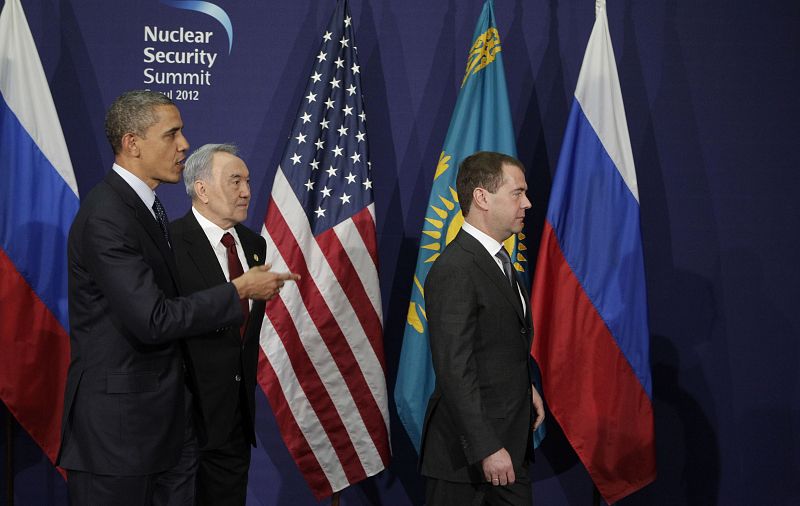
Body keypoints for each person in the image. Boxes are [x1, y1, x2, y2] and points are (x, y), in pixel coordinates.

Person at [56, 90, 298, 506]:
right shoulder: (107, 215)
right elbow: (153, 319)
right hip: (119, 437)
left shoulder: (146, 208)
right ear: (133, 144)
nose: (184, 144)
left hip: (162, 427)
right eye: (171, 134)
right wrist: (238, 290)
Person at [419, 151, 545, 506]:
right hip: (468, 461)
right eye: (517, 193)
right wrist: (487, 446)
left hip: (510, 448)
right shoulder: (456, 268)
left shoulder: (502, 263)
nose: (528, 203)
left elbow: (494, 344)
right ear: (482, 197)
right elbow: (453, 368)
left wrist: (526, 386)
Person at [169, 144, 270, 505]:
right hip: (183, 419)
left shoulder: (254, 244)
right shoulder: (169, 243)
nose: (246, 191)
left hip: (234, 421)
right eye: (235, 181)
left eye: (247, 181)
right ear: (202, 189)